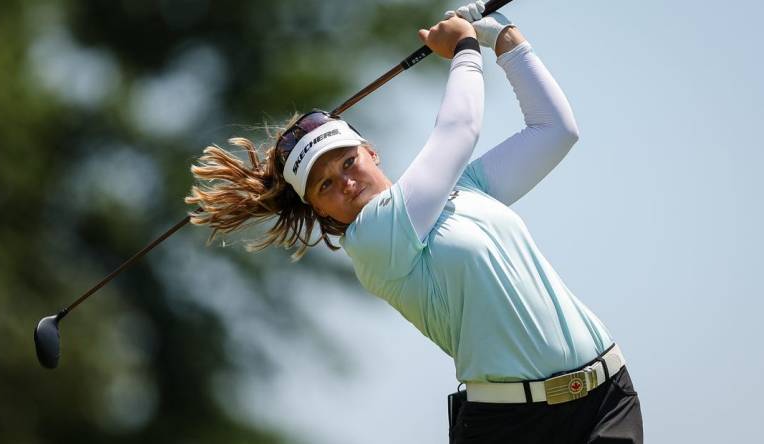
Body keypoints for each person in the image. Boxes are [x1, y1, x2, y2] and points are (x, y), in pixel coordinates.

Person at [186, 1, 643, 442]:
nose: (343, 182)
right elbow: (459, 129)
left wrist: (501, 37)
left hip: (607, 398)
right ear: (319, 211)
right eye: (324, 186)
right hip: (513, 426)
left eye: (346, 162)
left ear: (371, 151)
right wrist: (464, 48)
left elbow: (555, 131)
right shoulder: (373, 240)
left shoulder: (464, 189)